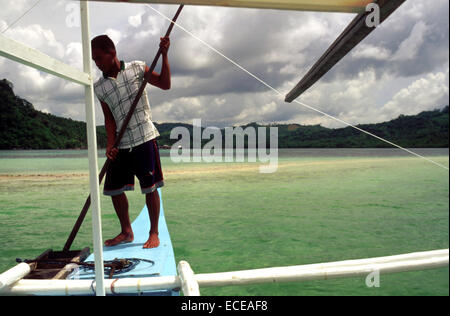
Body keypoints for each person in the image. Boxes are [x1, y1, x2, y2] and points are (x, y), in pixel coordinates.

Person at [91, 34, 171, 249]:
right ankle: (126, 231)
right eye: (94, 60)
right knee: (113, 189)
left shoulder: (137, 68)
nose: (97, 64)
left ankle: (153, 233)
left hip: (144, 138)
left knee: (150, 187)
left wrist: (164, 54)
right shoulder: (99, 87)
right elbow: (109, 119)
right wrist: (110, 144)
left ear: (112, 53)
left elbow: (165, 84)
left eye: (99, 58)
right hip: (121, 143)